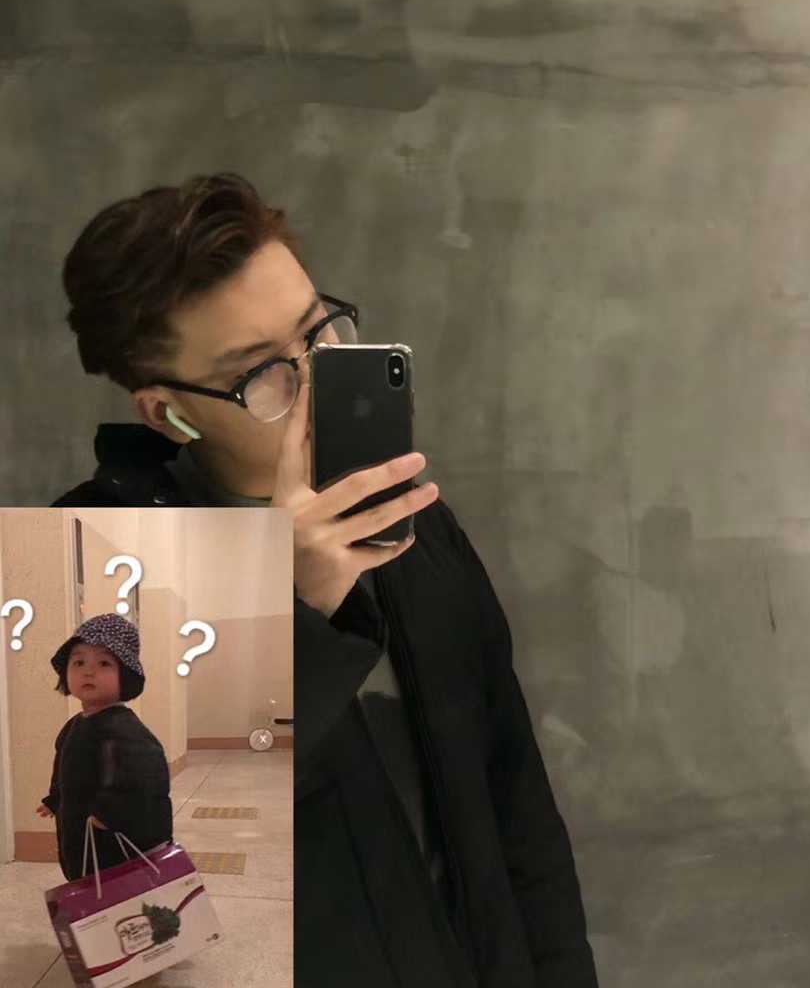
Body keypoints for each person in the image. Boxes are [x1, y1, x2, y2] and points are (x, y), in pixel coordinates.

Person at [52, 173, 598, 987]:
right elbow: (156, 854)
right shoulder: (99, 570)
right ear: (169, 413)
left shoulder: (410, 520)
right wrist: (293, 609)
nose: (315, 378)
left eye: (319, 332)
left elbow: (516, 807)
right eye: (262, 372)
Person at [39, 613, 173, 883]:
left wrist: (112, 811)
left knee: (116, 889)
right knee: (87, 880)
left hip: (115, 842)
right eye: (78, 662)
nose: (88, 671)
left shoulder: (124, 730)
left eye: (104, 663)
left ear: (125, 675)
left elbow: (145, 778)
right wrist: (55, 799)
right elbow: (64, 770)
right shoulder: (73, 726)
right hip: (79, 833)